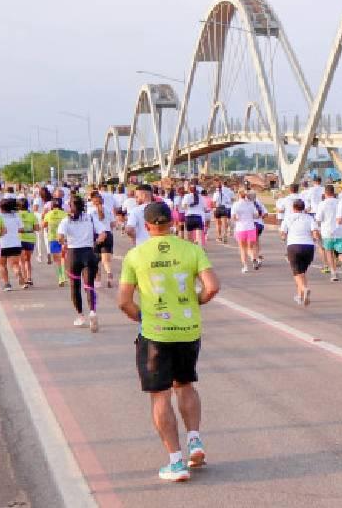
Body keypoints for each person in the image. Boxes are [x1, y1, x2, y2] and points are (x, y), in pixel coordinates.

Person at [117, 202, 219, 482]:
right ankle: (194, 439)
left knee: (160, 395)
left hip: (156, 332)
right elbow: (212, 287)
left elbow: (124, 301)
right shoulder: (192, 249)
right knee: (184, 384)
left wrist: (143, 317)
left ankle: (176, 462)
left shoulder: (135, 255)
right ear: (173, 223)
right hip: (188, 329)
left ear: (147, 225)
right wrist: (195, 303)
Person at [57, 195, 110, 331]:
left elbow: (60, 237)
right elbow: (103, 234)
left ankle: (80, 316)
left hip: (73, 255)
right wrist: (96, 242)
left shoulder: (66, 220)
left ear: (71, 207)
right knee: (89, 285)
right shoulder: (90, 217)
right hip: (88, 252)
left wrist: (65, 243)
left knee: (75, 287)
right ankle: (92, 311)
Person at [280, 199, 317, 307]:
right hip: (308, 247)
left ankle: (304, 289)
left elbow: (283, 234)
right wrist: (315, 239)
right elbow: (315, 232)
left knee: (296, 273)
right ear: (303, 208)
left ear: (293, 208)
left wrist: (283, 237)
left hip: (294, 246)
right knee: (302, 272)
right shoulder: (309, 218)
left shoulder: (288, 218)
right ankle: (300, 296)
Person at [313, 185, 342, 282]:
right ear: (334, 192)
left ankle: (334, 273)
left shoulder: (322, 204)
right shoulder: (340, 202)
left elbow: (318, 219)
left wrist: (316, 229)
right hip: (340, 231)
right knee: (340, 252)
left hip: (327, 231)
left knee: (329, 252)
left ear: (325, 193)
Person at [89, 192, 115, 290]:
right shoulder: (108, 209)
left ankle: (98, 281)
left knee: (95, 260)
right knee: (106, 261)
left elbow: (89, 224)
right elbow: (113, 224)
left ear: (93, 201)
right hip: (107, 234)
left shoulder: (90, 210)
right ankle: (109, 273)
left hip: (96, 235)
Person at [229, 189, 260, 273]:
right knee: (250, 248)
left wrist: (237, 219)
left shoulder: (236, 204)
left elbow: (233, 217)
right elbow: (256, 215)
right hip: (251, 227)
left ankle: (245, 267)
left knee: (242, 249)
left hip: (240, 228)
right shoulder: (250, 204)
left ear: (239, 195)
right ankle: (253, 259)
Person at [0, 198, 24, 294]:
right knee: (15, 264)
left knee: (2, 265)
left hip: (1, 244)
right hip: (15, 243)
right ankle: (18, 273)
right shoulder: (16, 216)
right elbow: (21, 229)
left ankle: (7, 284)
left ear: (1, 208)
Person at [42, 200, 69, 287]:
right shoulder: (64, 214)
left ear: (52, 206)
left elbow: (44, 225)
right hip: (64, 238)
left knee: (57, 259)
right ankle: (64, 276)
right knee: (63, 257)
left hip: (53, 238)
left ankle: (61, 277)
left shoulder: (48, 214)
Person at [17, 197, 38, 288]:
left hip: (19, 239)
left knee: (21, 261)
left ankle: (24, 279)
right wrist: (29, 229)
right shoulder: (32, 215)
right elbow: (37, 228)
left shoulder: (16, 216)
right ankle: (29, 278)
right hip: (30, 239)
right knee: (28, 260)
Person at [181, 180, 209, 247]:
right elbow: (205, 208)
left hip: (189, 217)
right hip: (198, 217)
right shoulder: (201, 197)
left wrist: (190, 206)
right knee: (199, 236)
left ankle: (191, 249)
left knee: (189, 236)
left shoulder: (186, 196)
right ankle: (200, 249)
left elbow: (183, 207)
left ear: (189, 190)